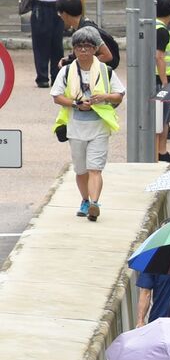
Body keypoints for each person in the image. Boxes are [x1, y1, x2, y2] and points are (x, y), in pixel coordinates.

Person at [50, 26, 124, 222]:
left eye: (88, 47)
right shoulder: (67, 71)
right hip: (75, 127)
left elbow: (119, 95)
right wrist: (75, 103)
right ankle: (85, 200)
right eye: (79, 47)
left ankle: (94, 203)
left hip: (99, 126)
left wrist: (104, 97)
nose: (83, 50)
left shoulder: (106, 71)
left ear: (95, 49)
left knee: (95, 168)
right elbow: (56, 96)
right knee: (81, 170)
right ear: (74, 49)